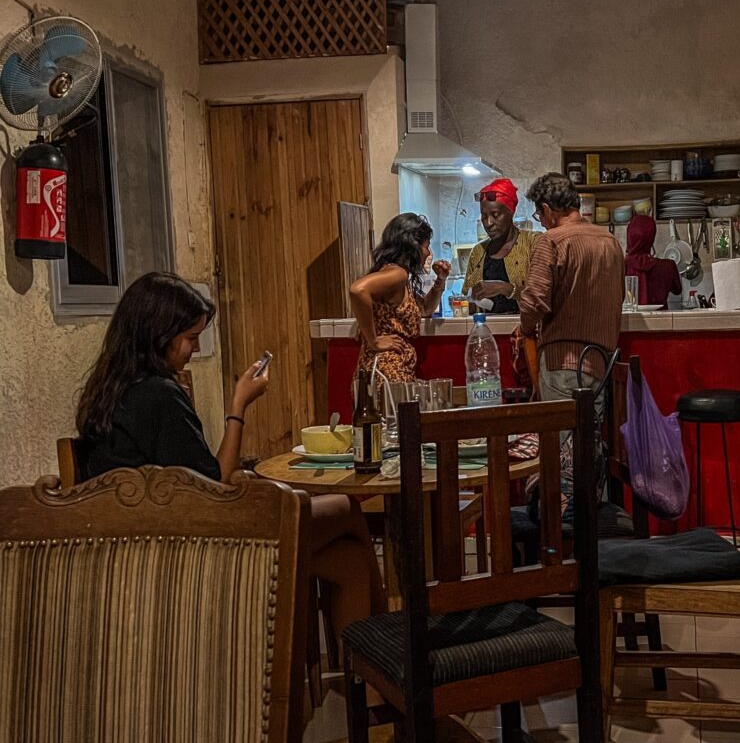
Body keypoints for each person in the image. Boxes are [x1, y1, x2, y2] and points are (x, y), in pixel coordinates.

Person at [76, 272, 386, 634]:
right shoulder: (160, 395)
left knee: (349, 563)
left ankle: (369, 682)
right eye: (190, 338)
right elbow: (215, 482)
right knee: (347, 507)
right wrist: (239, 403)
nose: (194, 349)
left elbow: (190, 473)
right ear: (159, 336)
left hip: (144, 541)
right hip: (198, 548)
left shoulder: (107, 392)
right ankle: (387, 659)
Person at [519, 172, 625, 413]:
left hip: (562, 364)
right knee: (590, 443)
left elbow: (534, 302)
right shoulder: (610, 242)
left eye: (540, 215)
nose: (542, 222)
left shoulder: (551, 241)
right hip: (602, 362)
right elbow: (619, 295)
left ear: (547, 209)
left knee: (563, 445)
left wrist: (524, 328)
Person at [349, 213, 450, 382]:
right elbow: (358, 290)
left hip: (386, 371)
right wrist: (374, 341)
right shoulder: (398, 274)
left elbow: (425, 309)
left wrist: (440, 279)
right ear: (413, 246)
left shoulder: (398, 276)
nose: (428, 253)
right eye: (426, 246)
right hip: (387, 371)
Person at [461, 178, 539, 314]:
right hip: (487, 328)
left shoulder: (534, 243)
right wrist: (467, 303)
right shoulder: (479, 251)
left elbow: (543, 295)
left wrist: (506, 288)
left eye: (495, 215)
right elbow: (467, 298)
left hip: (525, 329)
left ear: (511, 213)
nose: (489, 223)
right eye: (484, 216)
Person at [625, 214, 682, 308]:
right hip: (661, 321)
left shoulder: (619, 267)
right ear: (652, 237)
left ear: (629, 236)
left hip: (628, 321)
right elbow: (677, 290)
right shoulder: (668, 267)